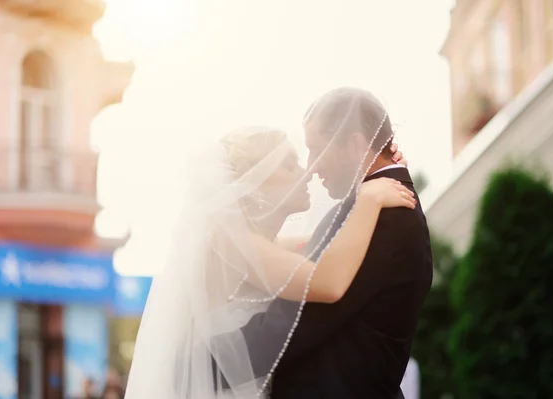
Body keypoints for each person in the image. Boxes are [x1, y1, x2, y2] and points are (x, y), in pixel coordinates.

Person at [123, 116, 415, 398]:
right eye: (289, 164)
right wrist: (369, 198)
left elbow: (327, 245)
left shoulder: (262, 245)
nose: (308, 170)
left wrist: (380, 166)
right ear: (254, 184)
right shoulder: (232, 245)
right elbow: (327, 282)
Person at [213, 87, 433, 398]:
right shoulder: (368, 207)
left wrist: (193, 362)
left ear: (356, 144)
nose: (311, 167)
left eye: (316, 149)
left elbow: (292, 322)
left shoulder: (384, 214)